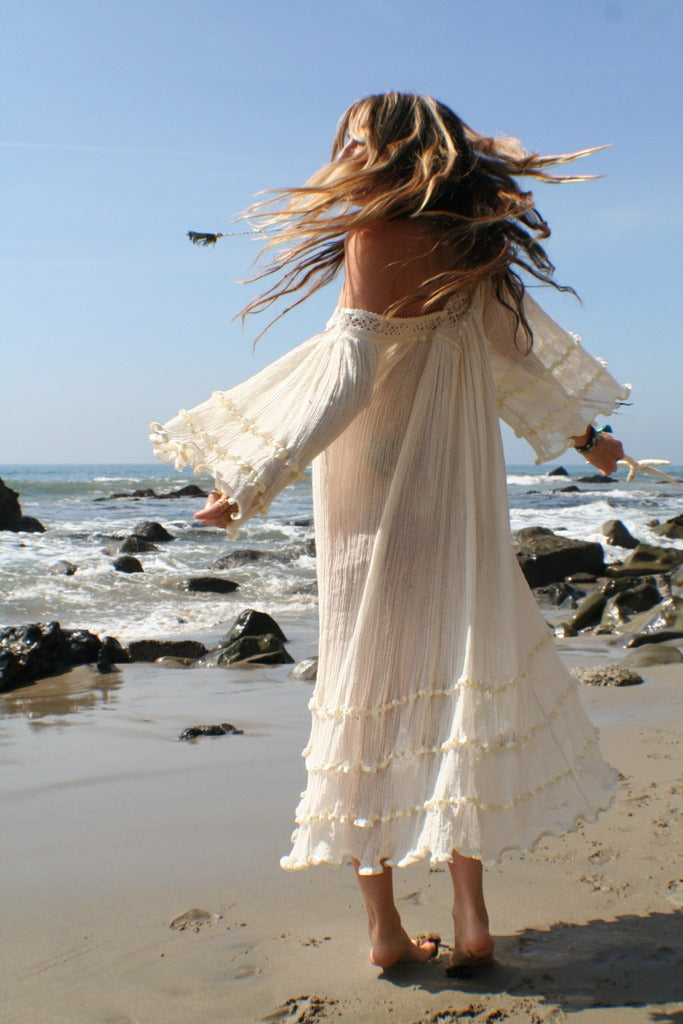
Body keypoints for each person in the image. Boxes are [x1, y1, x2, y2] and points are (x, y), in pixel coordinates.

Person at [150, 93, 629, 972]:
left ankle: (383, 932)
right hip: (458, 485)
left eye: (356, 137)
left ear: (392, 147)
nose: (345, 149)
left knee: (365, 677)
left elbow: (346, 375)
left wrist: (251, 483)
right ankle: (472, 919)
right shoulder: (477, 241)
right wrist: (586, 438)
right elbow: (516, 355)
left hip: (372, 484)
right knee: (459, 675)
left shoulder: (374, 236)